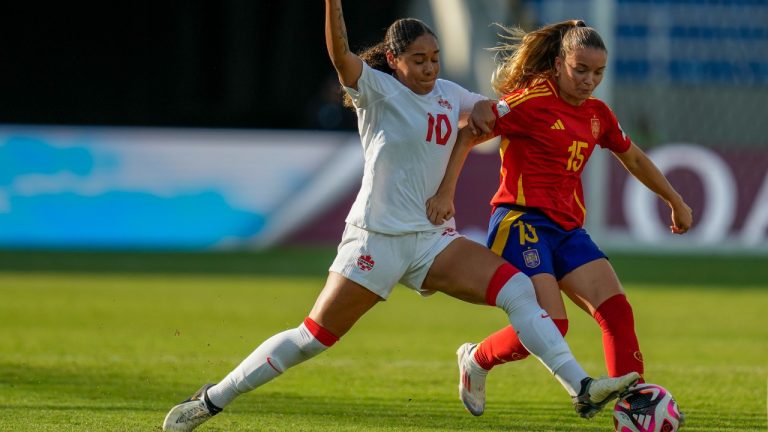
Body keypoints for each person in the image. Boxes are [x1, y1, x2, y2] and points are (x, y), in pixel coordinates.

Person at [161, 7, 640, 431]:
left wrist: (500, 109)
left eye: (434, 58)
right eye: (419, 60)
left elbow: (486, 116)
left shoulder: (449, 93)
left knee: (518, 289)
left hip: (431, 242)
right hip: (377, 242)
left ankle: (580, 387)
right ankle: (212, 399)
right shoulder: (377, 91)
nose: (430, 68)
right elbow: (341, 53)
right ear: (395, 61)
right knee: (313, 338)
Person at [425, 20, 693, 417]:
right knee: (554, 323)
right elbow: (469, 132)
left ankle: (634, 409)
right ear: (557, 64)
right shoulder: (528, 101)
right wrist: (446, 192)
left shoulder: (598, 114)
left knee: (617, 312)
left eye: (598, 73)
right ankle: (476, 358)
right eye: (580, 70)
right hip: (520, 222)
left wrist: (674, 199)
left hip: (567, 229)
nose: (589, 81)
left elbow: (632, 156)